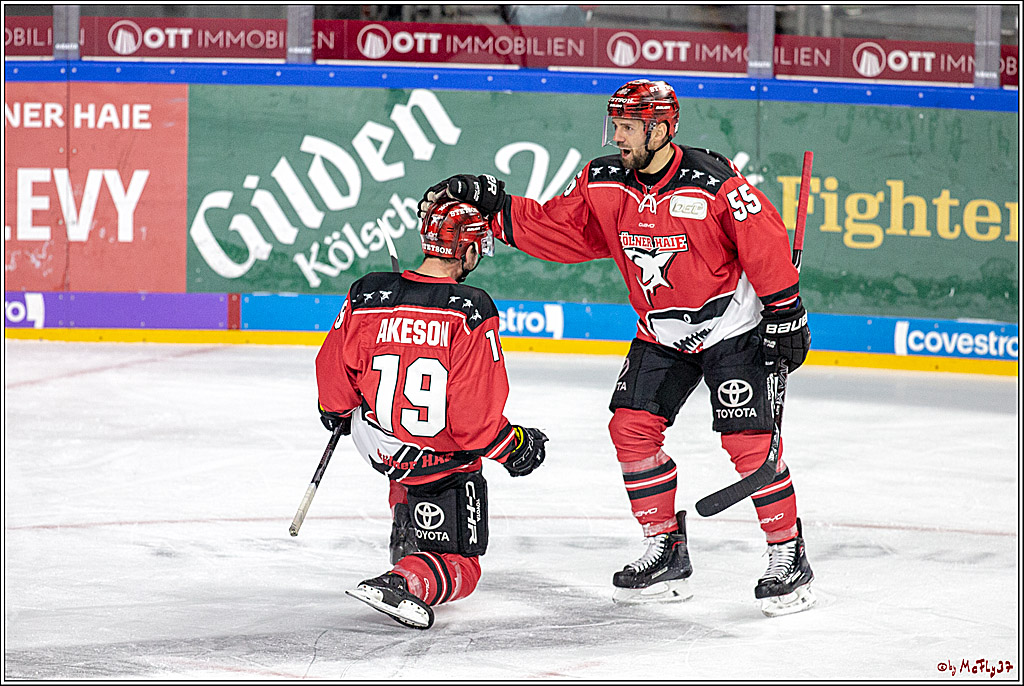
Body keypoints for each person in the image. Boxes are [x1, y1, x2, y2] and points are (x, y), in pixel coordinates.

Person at [419, 79, 815, 617]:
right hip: (662, 331)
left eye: (629, 127)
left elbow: (764, 241)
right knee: (629, 427)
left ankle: (787, 555)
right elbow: (562, 230)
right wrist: (497, 207)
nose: (619, 136)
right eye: (617, 125)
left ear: (662, 128)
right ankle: (666, 549)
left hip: (731, 327)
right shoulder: (603, 181)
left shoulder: (714, 184)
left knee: (750, 446)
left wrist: (786, 309)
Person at [315, 200, 549, 630]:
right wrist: (517, 445)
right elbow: (473, 423)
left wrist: (336, 411)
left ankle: (407, 522)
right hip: (435, 458)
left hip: (379, 445)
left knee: (391, 437)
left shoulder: (367, 291)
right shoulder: (471, 310)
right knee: (463, 565)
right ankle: (404, 580)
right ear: (468, 250)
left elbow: (333, 379)